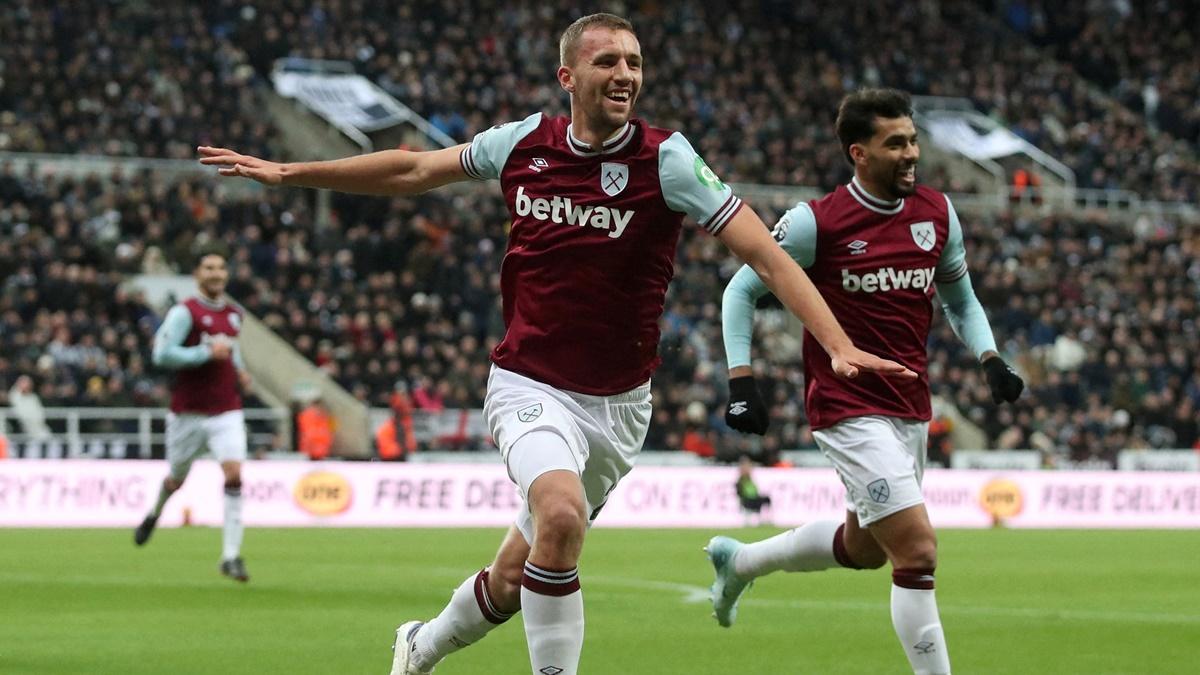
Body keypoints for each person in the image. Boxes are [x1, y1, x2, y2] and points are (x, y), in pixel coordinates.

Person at [199, 15, 912, 675]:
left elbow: (765, 252)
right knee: (563, 513)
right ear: (569, 77)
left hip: (620, 408)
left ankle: (419, 645)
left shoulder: (667, 161)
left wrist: (835, 341)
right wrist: (291, 172)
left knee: (516, 577)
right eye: (608, 60)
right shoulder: (521, 144)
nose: (626, 73)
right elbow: (415, 170)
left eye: (634, 61)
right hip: (529, 383)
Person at [707, 88, 1025, 675]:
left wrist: (990, 358)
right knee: (918, 550)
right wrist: (741, 379)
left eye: (913, 141)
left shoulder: (937, 214)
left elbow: (961, 299)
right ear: (859, 153)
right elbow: (741, 290)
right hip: (846, 404)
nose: (911, 154)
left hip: (908, 405)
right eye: (895, 143)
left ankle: (742, 562)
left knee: (865, 550)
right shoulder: (815, 223)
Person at [134, 245, 254, 583]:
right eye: (209, 268)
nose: (216, 273)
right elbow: (161, 354)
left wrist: (240, 369)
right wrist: (203, 353)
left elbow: (232, 349)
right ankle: (153, 513)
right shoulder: (184, 312)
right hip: (188, 412)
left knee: (233, 474)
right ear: (197, 275)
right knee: (176, 478)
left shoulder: (233, 314)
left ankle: (231, 556)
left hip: (226, 409)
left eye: (220, 267)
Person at [735, 455, 772, 525]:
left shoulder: (750, 480)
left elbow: (755, 490)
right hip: (748, 499)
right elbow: (742, 493)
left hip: (754, 497)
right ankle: (760, 518)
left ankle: (767, 518)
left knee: (766, 499)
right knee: (757, 501)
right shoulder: (741, 481)